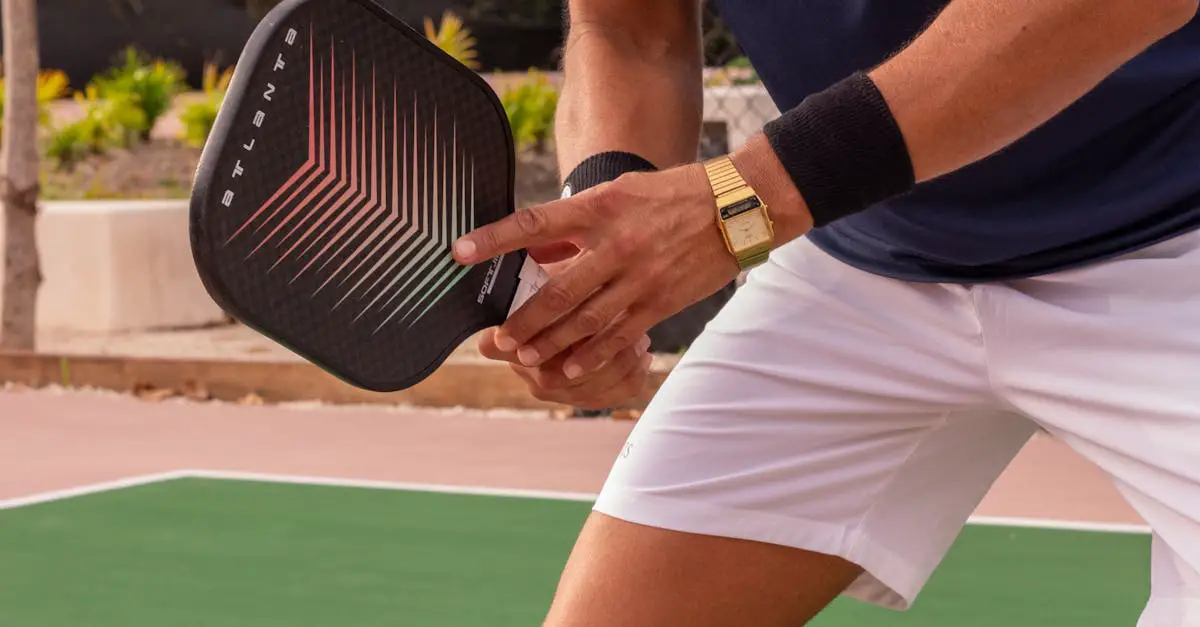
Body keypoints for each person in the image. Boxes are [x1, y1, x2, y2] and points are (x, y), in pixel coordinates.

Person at [454, 0, 1200, 624]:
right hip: (867, 251)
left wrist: (738, 203)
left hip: (1174, 237)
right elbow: (630, 31)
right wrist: (605, 262)